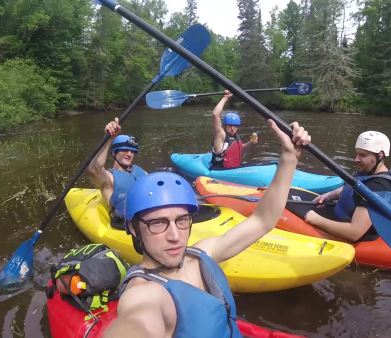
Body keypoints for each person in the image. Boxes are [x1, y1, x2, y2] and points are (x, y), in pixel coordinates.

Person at [104, 121, 310, 338]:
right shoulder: (144, 294)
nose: (175, 236)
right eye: (158, 223)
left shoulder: (201, 255)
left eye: (182, 220)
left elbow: (263, 220)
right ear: (134, 228)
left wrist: (289, 159)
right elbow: (136, 324)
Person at [304, 131, 391, 242]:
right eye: (357, 153)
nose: (356, 159)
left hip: (350, 235)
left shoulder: (378, 187)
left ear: (380, 155)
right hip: (341, 216)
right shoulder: (369, 172)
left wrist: (316, 220)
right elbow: (351, 190)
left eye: (362, 155)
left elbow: (354, 232)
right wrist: (329, 195)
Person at [87, 117, 147, 228]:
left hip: (150, 217)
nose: (129, 154)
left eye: (132, 151)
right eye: (124, 150)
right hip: (129, 226)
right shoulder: (109, 178)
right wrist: (109, 138)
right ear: (114, 153)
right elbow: (94, 169)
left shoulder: (140, 170)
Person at [210, 90, 258, 169]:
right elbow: (215, 114)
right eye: (230, 125)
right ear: (225, 125)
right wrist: (226, 97)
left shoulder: (235, 136)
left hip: (235, 169)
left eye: (235, 126)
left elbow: (240, 150)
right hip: (220, 171)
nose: (233, 128)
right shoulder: (221, 135)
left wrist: (251, 143)